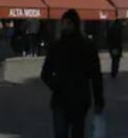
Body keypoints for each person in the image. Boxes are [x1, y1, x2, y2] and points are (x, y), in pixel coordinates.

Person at [41, 9, 104, 138]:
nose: (65, 27)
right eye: (63, 23)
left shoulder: (87, 47)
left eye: (69, 23)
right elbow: (45, 73)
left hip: (79, 99)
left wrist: (99, 100)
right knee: (60, 133)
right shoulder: (56, 47)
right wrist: (56, 86)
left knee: (77, 133)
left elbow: (96, 76)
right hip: (61, 99)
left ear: (75, 24)